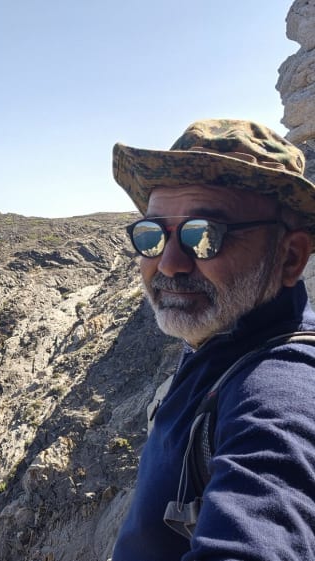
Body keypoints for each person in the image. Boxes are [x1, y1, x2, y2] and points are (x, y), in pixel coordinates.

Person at [110, 119, 315, 560]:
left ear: (290, 256)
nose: (169, 264)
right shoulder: (221, 338)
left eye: (205, 235)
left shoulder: (277, 392)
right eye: (152, 235)